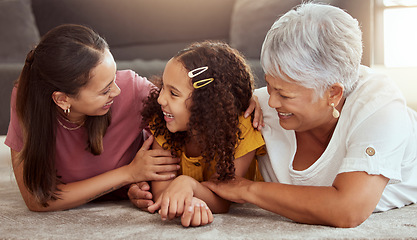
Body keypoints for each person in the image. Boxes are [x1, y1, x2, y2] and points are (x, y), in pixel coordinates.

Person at [201, 3, 417, 228]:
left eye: (284, 94)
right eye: (269, 86)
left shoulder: (380, 106)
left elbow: (347, 210)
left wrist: (246, 189)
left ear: (333, 93)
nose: (271, 101)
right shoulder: (258, 108)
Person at [5, 24, 182, 211]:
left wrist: (147, 185)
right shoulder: (27, 97)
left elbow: (186, 126)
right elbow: (37, 198)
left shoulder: (132, 88)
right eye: (105, 90)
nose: (117, 90)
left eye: (114, 77)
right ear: (62, 99)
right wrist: (129, 174)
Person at [140, 41, 265, 227]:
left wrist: (187, 185)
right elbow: (162, 193)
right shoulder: (164, 122)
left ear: (208, 105)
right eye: (163, 88)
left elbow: (224, 198)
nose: (161, 99)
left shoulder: (242, 129)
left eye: (173, 93)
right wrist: (191, 200)